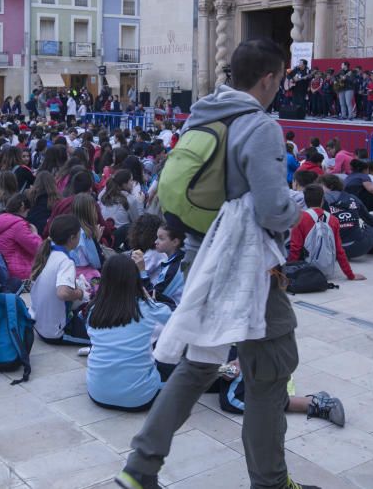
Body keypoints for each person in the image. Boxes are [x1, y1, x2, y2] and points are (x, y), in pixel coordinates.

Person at [116, 39, 307, 489]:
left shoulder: (203, 113)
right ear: (269, 78)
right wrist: (297, 202)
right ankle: (271, 483)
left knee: (199, 363)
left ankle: (140, 467)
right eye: (280, 80)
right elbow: (273, 211)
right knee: (271, 368)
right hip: (249, 266)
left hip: (200, 256)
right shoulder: (260, 126)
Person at [86, 254, 173, 411]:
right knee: (171, 361)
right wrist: (147, 294)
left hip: (98, 393)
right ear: (134, 279)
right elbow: (172, 321)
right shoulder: (148, 308)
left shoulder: (94, 310)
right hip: (139, 398)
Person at [29, 214, 89, 345]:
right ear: (72, 238)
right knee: (100, 337)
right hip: (55, 332)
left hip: (38, 325)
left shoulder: (48, 253)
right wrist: (80, 294)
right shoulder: (66, 261)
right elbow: (63, 293)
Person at [288, 184, 362, 281]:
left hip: (306, 268)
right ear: (322, 200)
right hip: (327, 270)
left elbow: (295, 248)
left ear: (305, 200)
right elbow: (339, 250)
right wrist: (350, 275)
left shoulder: (300, 218)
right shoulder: (333, 220)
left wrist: (288, 270)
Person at [0, 193, 42, 284]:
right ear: (22, 207)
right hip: (18, 273)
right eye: (27, 212)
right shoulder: (19, 225)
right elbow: (38, 249)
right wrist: (35, 233)